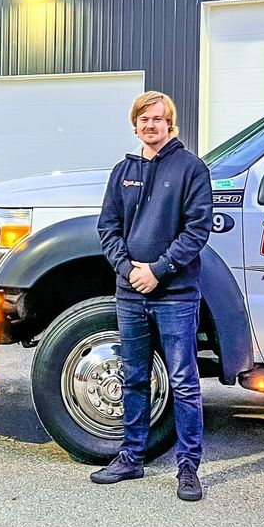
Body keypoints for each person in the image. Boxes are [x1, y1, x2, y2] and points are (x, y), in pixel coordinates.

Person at [92, 91, 213, 501]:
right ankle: (131, 457)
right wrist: (129, 270)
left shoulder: (191, 169)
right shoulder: (122, 171)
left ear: (170, 124)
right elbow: (108, 228)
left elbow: (197, 230)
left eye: (159, 119)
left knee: (183, 381)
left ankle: (188, 467)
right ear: (135, 124)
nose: (151, 125)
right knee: (135, 376)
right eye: (145, 119)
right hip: (130, 293)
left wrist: (158, 271)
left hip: (175, 293)